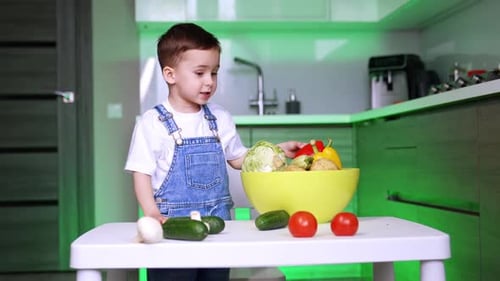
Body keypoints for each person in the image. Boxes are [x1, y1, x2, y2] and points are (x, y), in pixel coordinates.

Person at [125, 22, 304, 281]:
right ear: (170, 74)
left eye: (214, 72)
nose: (209, 82)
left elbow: (239, 158)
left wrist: (276, 152)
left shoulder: (220, 118)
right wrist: (151, 213)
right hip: (173, 229)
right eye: (200, 73)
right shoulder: (152, 123)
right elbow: (141, 172)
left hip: (219, 228)